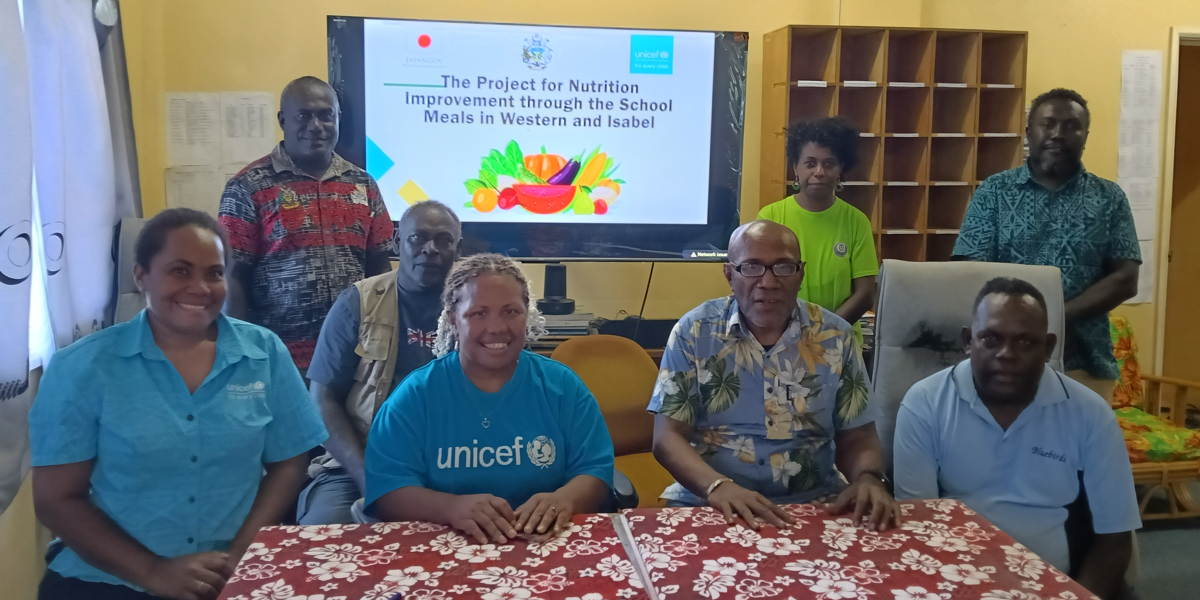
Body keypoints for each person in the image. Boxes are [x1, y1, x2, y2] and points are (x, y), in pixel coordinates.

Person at [29, 208, 328, 600]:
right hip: (108, 579)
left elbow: (289, 462)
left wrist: (239, 555)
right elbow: (56, 500)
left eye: (214, 273)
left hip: (229, 574)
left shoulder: (264, 352)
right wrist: (154, 571)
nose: (200, 288)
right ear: (141, 276)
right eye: (180, 271)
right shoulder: (83, 367)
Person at [893, 277, 1140, 600]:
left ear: (1048, 347)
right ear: (968, 341)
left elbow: (1116, 537)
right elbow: (922, 526)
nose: (1006, 354)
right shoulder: (924, 403)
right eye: (991, 339)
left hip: (1059, 583)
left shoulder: (1091, 414)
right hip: (956, 581)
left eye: (1025, 343)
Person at [649, 220, 900, 531]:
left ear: (800, 273)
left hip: (815, 503)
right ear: (730, 274)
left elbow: (858, 437)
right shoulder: (694, 333)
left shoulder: (835, 335)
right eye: (752, 267)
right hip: (710, 502)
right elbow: (667, 438)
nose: (767, 282)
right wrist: (717, 487)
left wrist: (868, 478)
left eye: (782, 267)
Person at [364, 253, 614, 543]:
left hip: (545, 545)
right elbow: (387, 491)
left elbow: (595, 469)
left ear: (527, 314)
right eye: (478, 313)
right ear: (453, 320)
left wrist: (565, 499)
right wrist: (450, 507)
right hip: (443, 552)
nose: (496, 327)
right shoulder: (415, 395)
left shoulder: (563, 386)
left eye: (510, 312)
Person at [953, 88, 1141, 401]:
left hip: (1083, 363)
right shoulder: (994, 192)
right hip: (1002, 359)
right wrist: (1020, 325)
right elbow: (968, 270)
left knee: (1080, 449)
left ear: (1085, 135)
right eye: (1048, 124)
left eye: (1071, 126)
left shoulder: (1109, 198)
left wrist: (1053, 318)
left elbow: (1125, 279)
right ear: (1029, 132)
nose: (1058, 134)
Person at [297, 200, 463, 525]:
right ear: (397, 240)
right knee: (322, 540)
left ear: (459, 249)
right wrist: (368, 480)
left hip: (454, 462)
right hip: (362, 462)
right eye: (418, 238)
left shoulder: (475, 304)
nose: (430, 249)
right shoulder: (357, 303)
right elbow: (321, 400)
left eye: (443, 239)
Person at [219, 76, 395, 372]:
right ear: (283, 119)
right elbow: (233, 277)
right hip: (277, 357)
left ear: (339, 119)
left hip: (352, 356)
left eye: (326, 115)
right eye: (304, 115)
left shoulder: (364, 185)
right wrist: (238, 351)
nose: (316, 126)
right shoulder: (247, 186)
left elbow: (379, 270)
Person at [758, 117, 878, 346]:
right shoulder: (770, 217)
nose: (819, 172)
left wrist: (825, 335)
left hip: (841, 342)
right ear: (796, 167)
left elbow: (864, 294)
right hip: (782, 341)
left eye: (829, 164)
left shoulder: (856, 221)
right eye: (810, 163)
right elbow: (763, 287)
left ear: (841, 169)